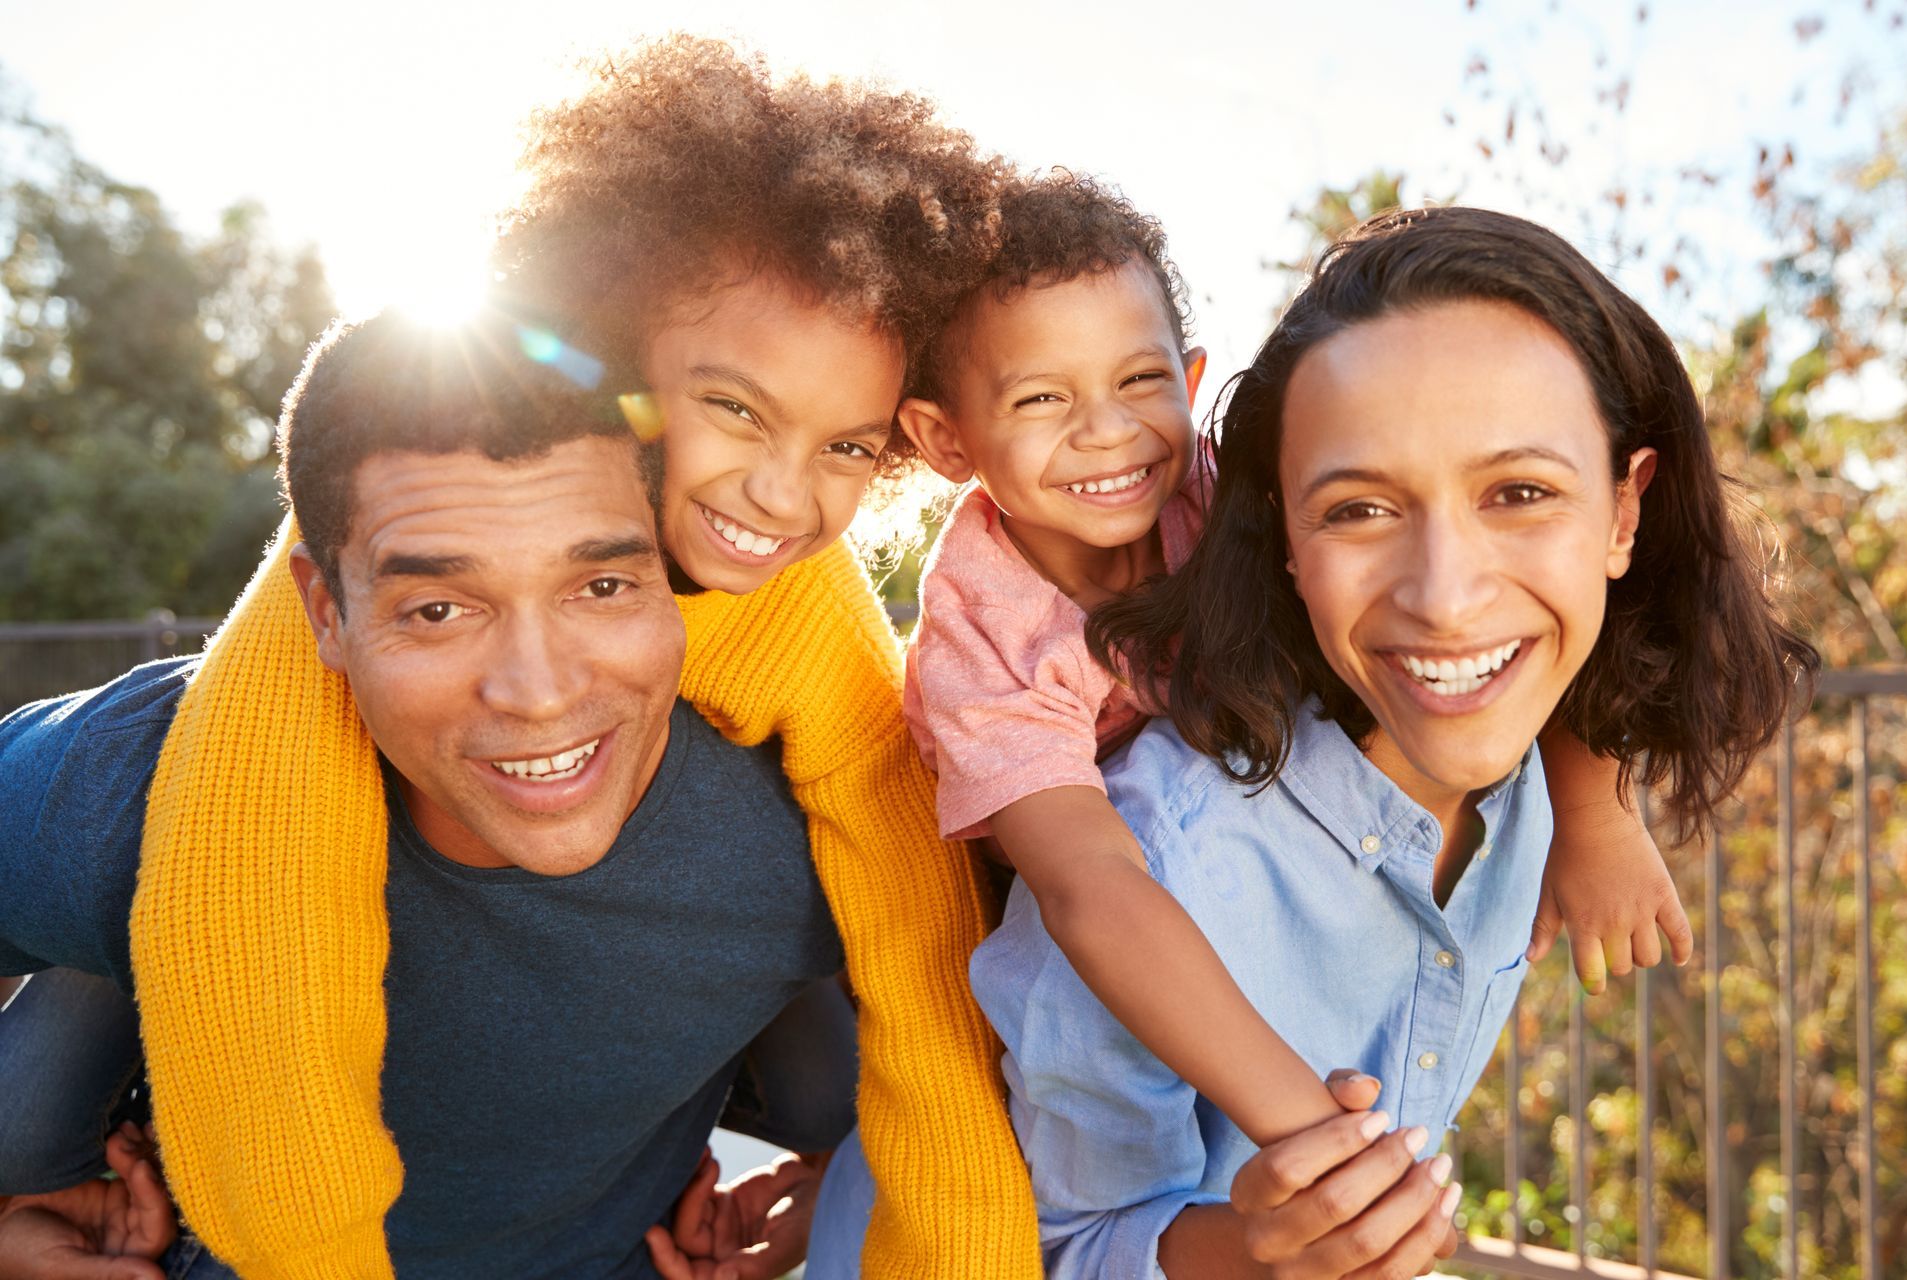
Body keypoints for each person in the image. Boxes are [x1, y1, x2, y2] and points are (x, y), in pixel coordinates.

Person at [1, 38, 1041, 1280]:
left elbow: (941, 976)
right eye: (441, 608)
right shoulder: (163, 766)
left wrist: (855, 1185)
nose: (776, 492)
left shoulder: (813, 751)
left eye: (849, 448)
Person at [960, 205, 1814, 1277]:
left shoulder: (1539, 772)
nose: (1447, 598)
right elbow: (1047, 1247)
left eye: (1520, 493)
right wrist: (1250, 1253)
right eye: (1360, 509)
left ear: (1624, 512)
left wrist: (1600, 807)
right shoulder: (1165, 864)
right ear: (1283, 541)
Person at [0, 311, 863, 1280]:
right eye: (439, 608)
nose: (538, 690)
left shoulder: (810, 815)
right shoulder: (144, 780)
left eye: (604, 585)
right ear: (326, 612)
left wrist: (849, 1183)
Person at [885, 175, 1690, 1150]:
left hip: (1234, 838)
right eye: (1042, 396)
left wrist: (1597, 811)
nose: (1105, 430)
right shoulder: (986, 645)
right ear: (942, 436)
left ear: (1189, 384)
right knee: (963, 1112)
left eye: (1138, 382)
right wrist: (1306, 1129)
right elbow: (1092, 890)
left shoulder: (1215, 493)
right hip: (1041, 894)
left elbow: (1487, 621)